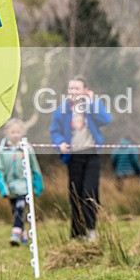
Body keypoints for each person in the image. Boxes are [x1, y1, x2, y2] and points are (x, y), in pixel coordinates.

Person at [49, 76, 112, 242]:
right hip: (73, 157)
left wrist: (92, 101)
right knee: (75, 195)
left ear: (85, 90)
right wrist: (60, 143)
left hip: (91, 155)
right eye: (71, 89)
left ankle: (91, 230)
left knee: (89, 193)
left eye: (77, 88)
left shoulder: (91, 107)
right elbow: (54, 131)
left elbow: (106, 120)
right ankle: (77, 233)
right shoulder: (62, 110)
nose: (73, 92)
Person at [0, 119, 44, 246]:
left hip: (24, 186)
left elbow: (35, 168)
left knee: (20, 208)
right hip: (11, 188)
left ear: (22, 132)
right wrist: (3, 189)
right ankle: (23, 232)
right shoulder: (1, 150)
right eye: (12, 132)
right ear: (7, 133)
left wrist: (38, 186)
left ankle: (15, 233)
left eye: (18, 132)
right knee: (16, 211)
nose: (15, 134)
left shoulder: (27, 149)